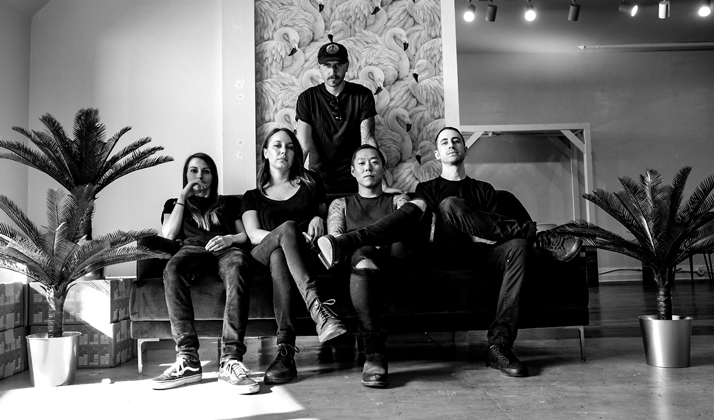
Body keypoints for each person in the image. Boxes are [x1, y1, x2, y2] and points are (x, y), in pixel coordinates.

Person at [316, 127, 582, 378]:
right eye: (444, 141)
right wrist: (470, 225)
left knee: (519, 247)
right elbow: (415, 220)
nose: (451, 145)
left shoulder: (485, 190)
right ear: (437, 154)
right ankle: (537, 234)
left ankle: (499, 345)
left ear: (465, 149)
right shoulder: (427, 189)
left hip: (484, 255)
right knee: (450, 205)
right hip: (448, 251)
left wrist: (486, 230)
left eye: (456, 141)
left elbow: (496, 234)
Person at [242, 128, 348, 385]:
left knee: (280, 256)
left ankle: (285, 352)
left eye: (290, 147)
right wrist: (289, 234)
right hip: (260, 256)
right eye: (277, 145)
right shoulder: (252, 196)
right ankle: (317, 308)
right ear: (265, 153)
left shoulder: (311, 184)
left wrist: (318, 218)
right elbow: (253, 235)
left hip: (300, 257)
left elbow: (323, 214)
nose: (284, 151)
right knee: (285, 233)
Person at [151, 153, 258, 393]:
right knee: (173, 269)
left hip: (225, 249)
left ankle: (230, 359)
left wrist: (229, 239)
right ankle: (188, 359)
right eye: (194, 171)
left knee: (239, 265)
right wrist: (182, 197)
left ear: (213, 176)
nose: (200, 176)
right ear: (186, 175)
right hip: (192, 250)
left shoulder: (228, 203)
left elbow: (245, 236)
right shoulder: (174, 204)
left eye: (206, 171)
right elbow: (168, 235)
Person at [325, 144, 410, 388]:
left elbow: (405, 232)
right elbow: (336, 243)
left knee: (367, 251)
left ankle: (373, 351)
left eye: (374, 162)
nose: (368, 167)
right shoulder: (340, 204)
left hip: (391, 263)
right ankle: (374, 351)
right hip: (356, 265)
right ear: (353, 171)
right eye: (361, 163)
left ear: (383, 169)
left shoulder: (398, 200)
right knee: (362, 254)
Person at [296, 40, 378, 194]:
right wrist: (291, 182)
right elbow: (302, 146)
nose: (332, 72)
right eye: (327, 65)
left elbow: (368, 141)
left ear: (346, 66)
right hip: (319, 185)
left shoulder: (362, 95)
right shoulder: (307, 98)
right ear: (319, 67)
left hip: (357, 183)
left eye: (338, 65)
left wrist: (380, 183)